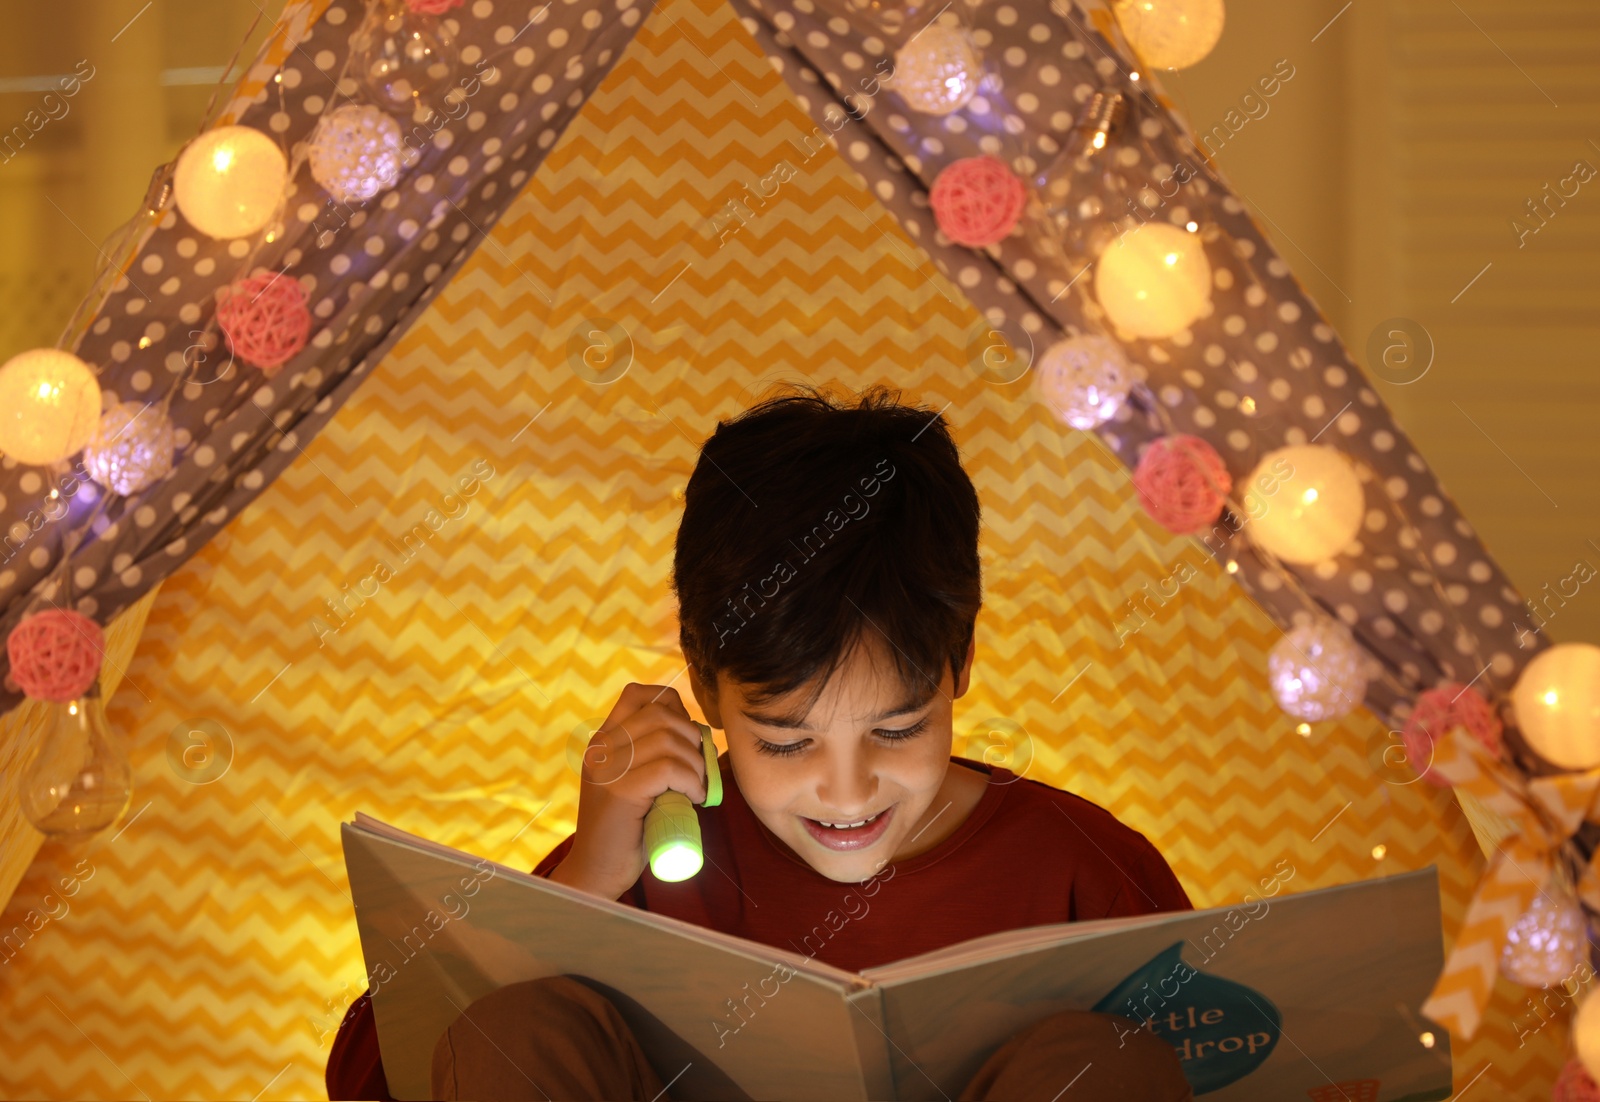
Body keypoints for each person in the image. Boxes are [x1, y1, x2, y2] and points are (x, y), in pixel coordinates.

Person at [327, 385, 1195, 1101]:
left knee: (1103, 1065)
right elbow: (372, 1072)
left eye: (897, 730)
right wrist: (587, 876)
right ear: (706, 691)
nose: (848, 794)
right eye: (785, 743)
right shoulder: (648, 855)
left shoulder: (1082, 866)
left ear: (960, 663)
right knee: (517, 1030)